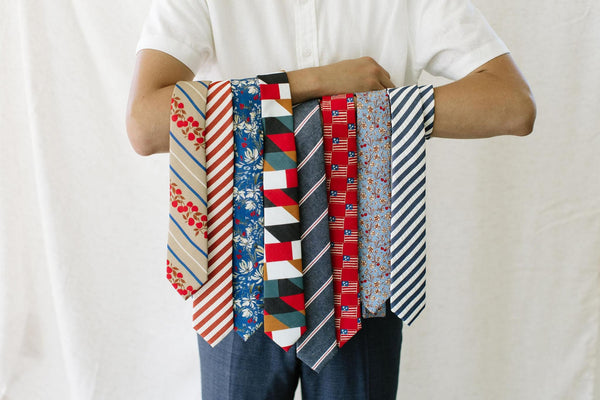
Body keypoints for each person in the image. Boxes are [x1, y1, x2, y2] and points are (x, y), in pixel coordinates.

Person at [126, 1, 535, 399]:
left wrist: (366, 111)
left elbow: (513, 105)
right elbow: (146, 123)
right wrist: (317, 82)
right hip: (238, 272)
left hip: (362, 268)